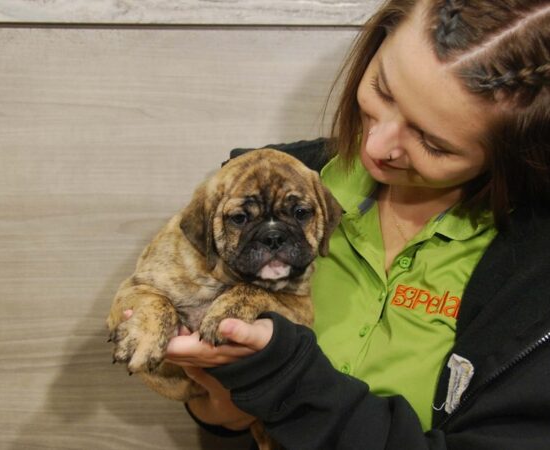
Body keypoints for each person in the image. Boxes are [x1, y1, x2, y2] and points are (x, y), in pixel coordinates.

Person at [140, 0, 550, 448]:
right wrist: (223, 402)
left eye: (432, 142)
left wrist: (284, 381)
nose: (376, 145)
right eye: (383, 90)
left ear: (517, 153)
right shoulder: (266, 184)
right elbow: (217, 409)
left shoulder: (532, 275)